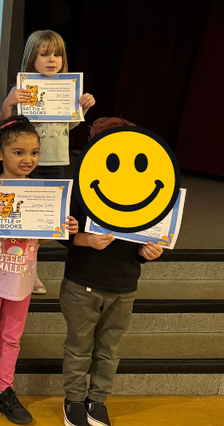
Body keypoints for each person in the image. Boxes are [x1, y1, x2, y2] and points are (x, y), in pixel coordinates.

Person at [0, 116, 78, 425]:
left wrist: (65, 226)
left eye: (35, 152)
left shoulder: (44, 192)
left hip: (23, 278)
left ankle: (4, 389)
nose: (28, 159)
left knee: (12, 338)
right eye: (19, 152)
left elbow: (51, 231)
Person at [61, 117, 163, 426]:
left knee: (109, 348)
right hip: (82, 282)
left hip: (124, 285)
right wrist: (86, 239)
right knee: (79, 347)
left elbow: (147, 242)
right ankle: (74, 400)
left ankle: (98, 399)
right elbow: (62, 234)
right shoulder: (82, 188)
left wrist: (148, 252)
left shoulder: (149, 193)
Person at [0, 29, 96, 294]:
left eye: (57, 55)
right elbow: (3, 125)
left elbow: (70, 123)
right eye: (44, 55)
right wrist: (9, 104)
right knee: (21, 216)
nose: (52, 60)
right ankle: (10, 265)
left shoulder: (68, 87)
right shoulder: (21, 88)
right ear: (32, 58)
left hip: (54, 162)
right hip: (23, 164)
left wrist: (82, 107)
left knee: (41, 219)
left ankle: (31, 269)